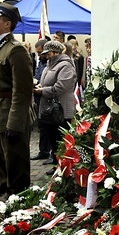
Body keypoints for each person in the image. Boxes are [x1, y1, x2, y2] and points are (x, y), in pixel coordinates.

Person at [0, 2, 33, 196]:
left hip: (11, 115)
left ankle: (20, 206)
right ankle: (8, 202)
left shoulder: (16, 50)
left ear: (7, 24)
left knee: (15, 165)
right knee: (1, 164)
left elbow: (22, 91)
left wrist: (15, 124)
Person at [34, 40, 77, 175]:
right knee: (53, 139)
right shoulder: (48, 66)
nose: (46, 56)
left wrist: (42, 91)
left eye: (48, 53)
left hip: (61, 110)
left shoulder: (65, 66)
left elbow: (60, 87)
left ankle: (64, 167)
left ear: (56, 52)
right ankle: (58, 165)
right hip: (49, 110)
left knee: (61, 140)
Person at [30, 39, 51, 161]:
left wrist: (39, 84)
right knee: (42, 126)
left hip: (47, 98)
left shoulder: (50, 64)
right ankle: (43, 151)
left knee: (48, 127)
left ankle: (50, 152)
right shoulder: (41, 63)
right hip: (39, 97)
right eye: (37, 53)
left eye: (40, 52)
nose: (39, 55)